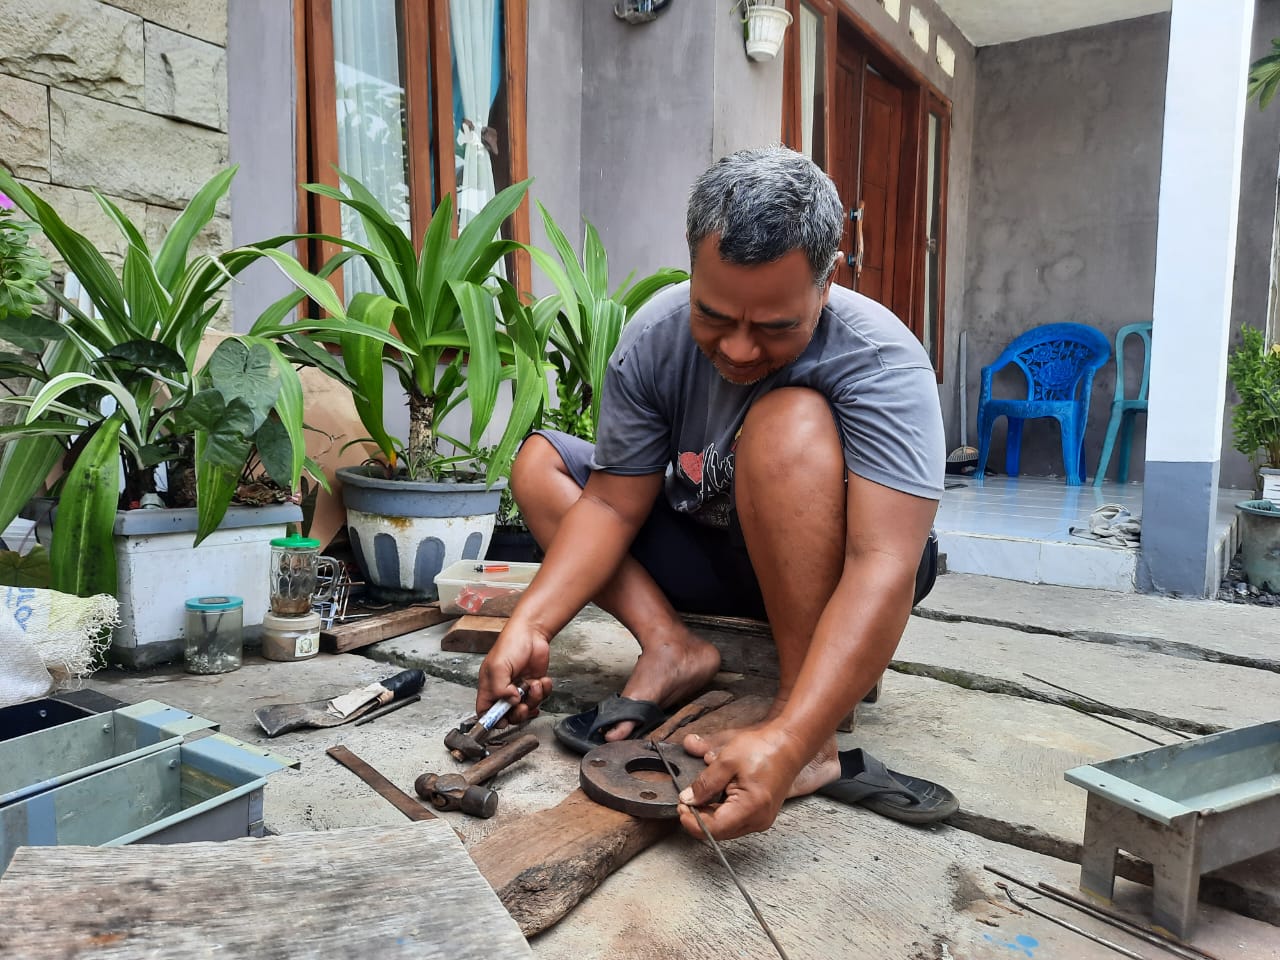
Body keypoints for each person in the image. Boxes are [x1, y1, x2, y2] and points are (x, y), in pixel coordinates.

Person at [476, 145, 945, 841]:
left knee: (787, 423)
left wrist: (789, 740)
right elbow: (609, 504)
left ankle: (807, 728)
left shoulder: (880, 360)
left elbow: (884, 562)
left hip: (840, 568)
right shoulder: (654, 337)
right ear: (693, 266)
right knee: (541, 462)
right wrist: (532, 624)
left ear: (827, 283)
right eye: (715, 316)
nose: (740, 350)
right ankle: (670, 646)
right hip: (706, 548)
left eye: (775, 327)